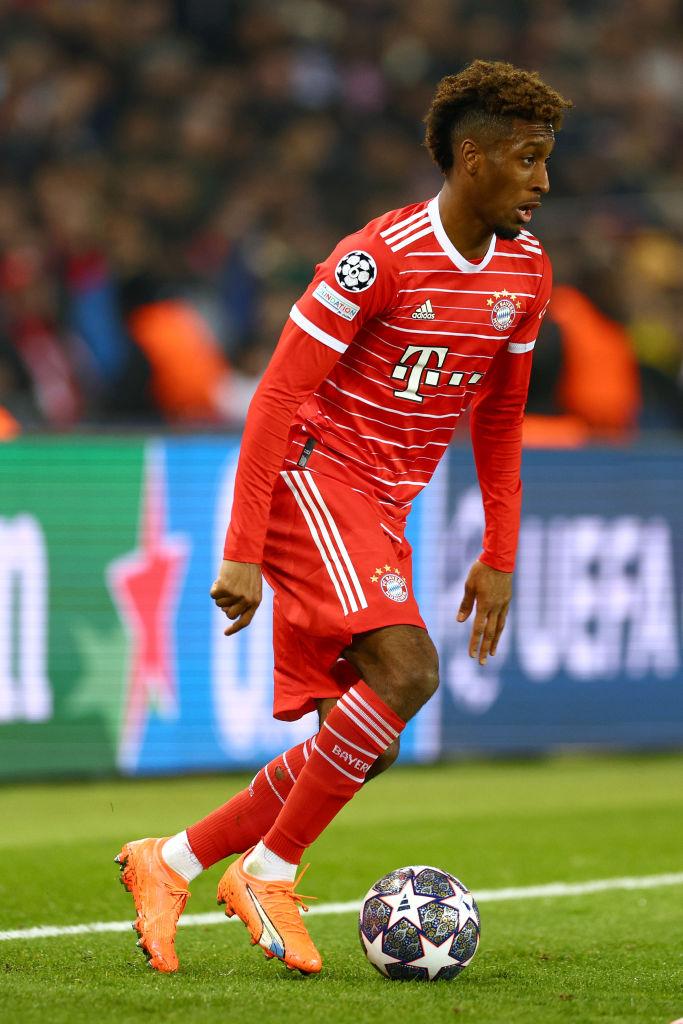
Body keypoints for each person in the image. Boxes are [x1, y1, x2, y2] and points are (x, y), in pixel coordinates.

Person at [115, 59, 571, 975]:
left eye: (545, 159)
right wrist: (242, 549)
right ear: (471, 158)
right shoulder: (377, 258)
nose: (543, 181)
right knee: (409, 672)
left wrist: (499, 554)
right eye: (526, 159)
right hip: (313, 478)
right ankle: (269, 870)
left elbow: (500, 418)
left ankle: (172, 860)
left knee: (362, 744)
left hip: (382, 507)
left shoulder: (526, 272)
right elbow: (275, 398)